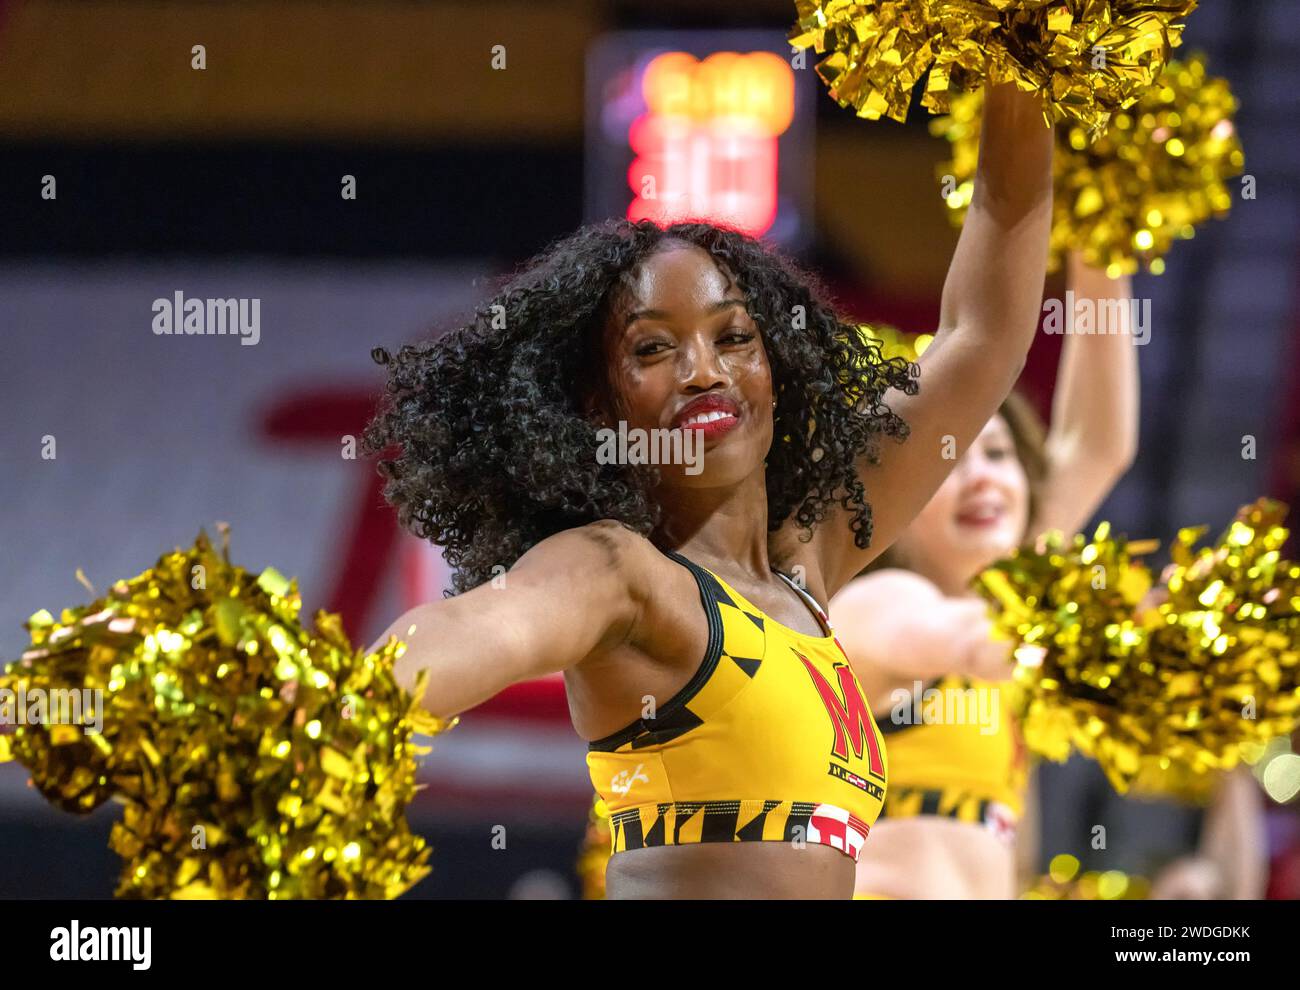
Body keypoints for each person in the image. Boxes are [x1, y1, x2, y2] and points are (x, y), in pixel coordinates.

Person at [363, 83, 1054, 899]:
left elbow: (985, 332)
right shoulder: (621, 572)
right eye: (653, 350)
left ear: (779, 368)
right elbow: (472, 631)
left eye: (734, 338)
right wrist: (324, 715)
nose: (705, 372)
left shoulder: (812, 563)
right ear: (596, 403)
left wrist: (1021, 62)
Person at [830, 251, 1140, 899]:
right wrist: (1094, 640)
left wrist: (1101, 240)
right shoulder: (874, 601)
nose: (983, 479)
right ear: (888, 500)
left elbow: (1098, 442)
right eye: (946, 466)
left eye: (998, 453)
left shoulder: (1010, 590)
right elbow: (962, 639)